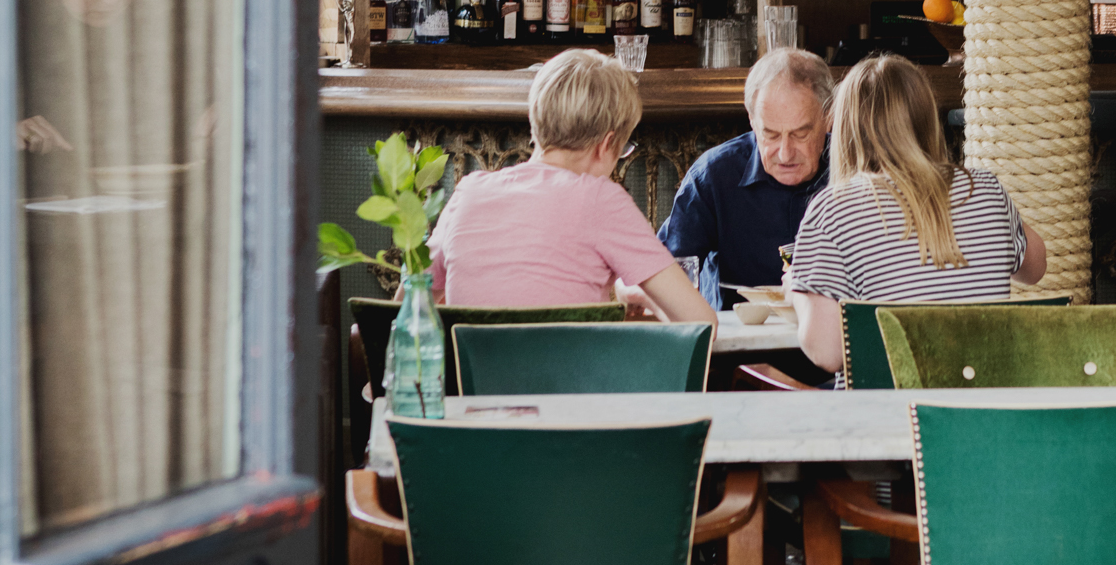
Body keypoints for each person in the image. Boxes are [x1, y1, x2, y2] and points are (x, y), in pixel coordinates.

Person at [787, 53, 1048, 375]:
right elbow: (1035, 268)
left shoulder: (833, 208)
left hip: (891, 417)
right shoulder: (985, 188)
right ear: (928, 118)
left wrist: (797, 292)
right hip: (983, 413)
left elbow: (827, 353)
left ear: (846, 126)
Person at [427, 48, 711, 322]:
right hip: (570, 371)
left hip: (469, 372)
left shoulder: (467, 192)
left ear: (534, 120)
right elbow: (701, 324)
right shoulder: (602, 199)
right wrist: (639, 295)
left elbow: (404, 310)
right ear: (607, 144)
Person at [657, 46, 834, 304]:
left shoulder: (856, 171)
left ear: (828, 117)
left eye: (800, 134)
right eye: (771, 134)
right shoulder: (714, 176)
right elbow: (669, 271)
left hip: (833, 339)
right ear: (751, 119)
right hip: (738, 339)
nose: (785, 154)